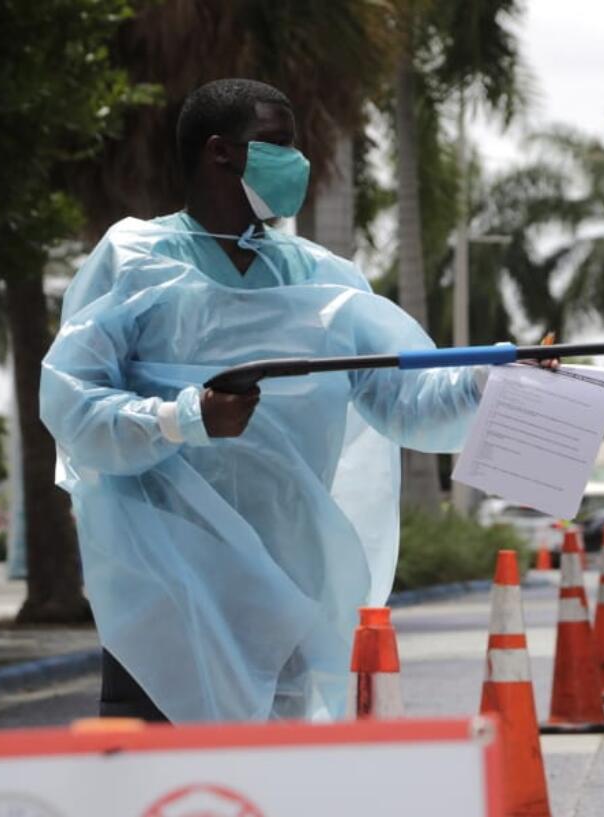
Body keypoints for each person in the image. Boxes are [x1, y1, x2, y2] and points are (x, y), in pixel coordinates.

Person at [41, 79, 542, 723]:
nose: (298, 163)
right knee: (167, 787)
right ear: (221, 153)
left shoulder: (326, 280)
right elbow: (74, 406)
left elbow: (404, 401)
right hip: (167, 584)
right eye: (278, 143)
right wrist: (186, 418)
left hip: (288, 591)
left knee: (276, 785)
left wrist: (488, 375)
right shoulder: (136, 259)